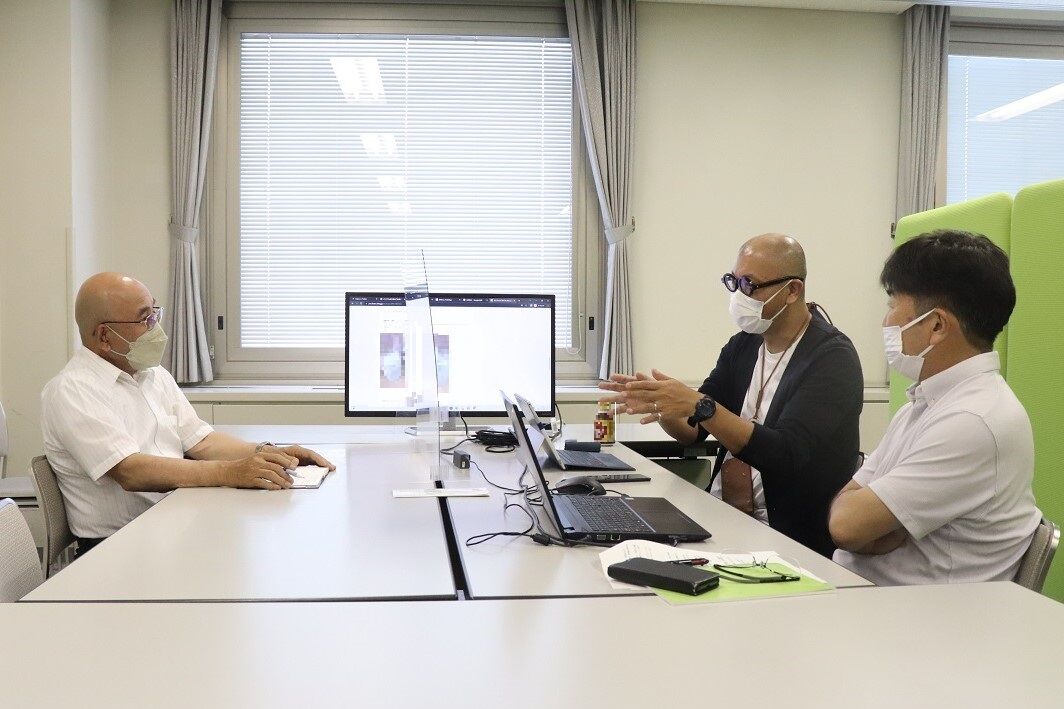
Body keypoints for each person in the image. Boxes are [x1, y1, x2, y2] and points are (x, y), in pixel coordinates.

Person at [600, 234, 863, 557]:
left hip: (788, 536)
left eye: (749, 284)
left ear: (793, 290)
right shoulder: (744, 345)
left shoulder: (832, 358)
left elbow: (785, 454)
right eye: (734, 282)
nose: (739, 295)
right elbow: (693, 430)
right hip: (722, 515)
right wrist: (664, 404)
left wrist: (702, 406)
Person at [41, 272, 336, 556]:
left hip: (171, 524)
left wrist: (270, 453)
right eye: (145, 319)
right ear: (105, 336)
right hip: (117, 547)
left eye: (155, 313)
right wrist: (231, 472)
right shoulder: (72, 390)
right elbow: (130, 471)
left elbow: (202, 442)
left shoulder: (152, 374)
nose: (156, 328)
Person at [830, 230, 1041, 584]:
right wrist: (870, 528)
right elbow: (848, 504)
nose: (885, 322)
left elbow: (845, 525)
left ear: (937, 325)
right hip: (872, 594)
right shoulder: (926, 404)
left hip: (913, 610)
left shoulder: (973, 420)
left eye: (893, 305)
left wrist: (867, 528)